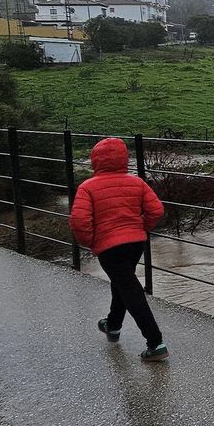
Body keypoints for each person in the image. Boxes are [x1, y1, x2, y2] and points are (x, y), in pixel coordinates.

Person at [70, 138, 168, 361]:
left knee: (128, 287)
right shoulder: (137, 183)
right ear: (124, 158)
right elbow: (156, 210)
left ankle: (156, 343)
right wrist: (140, 228)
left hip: (108, 246)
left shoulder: (87, 187)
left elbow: (79, 221)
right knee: (123, 282)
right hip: (135, 244)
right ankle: (112, 325)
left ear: (95, 160)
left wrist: (92, 241)